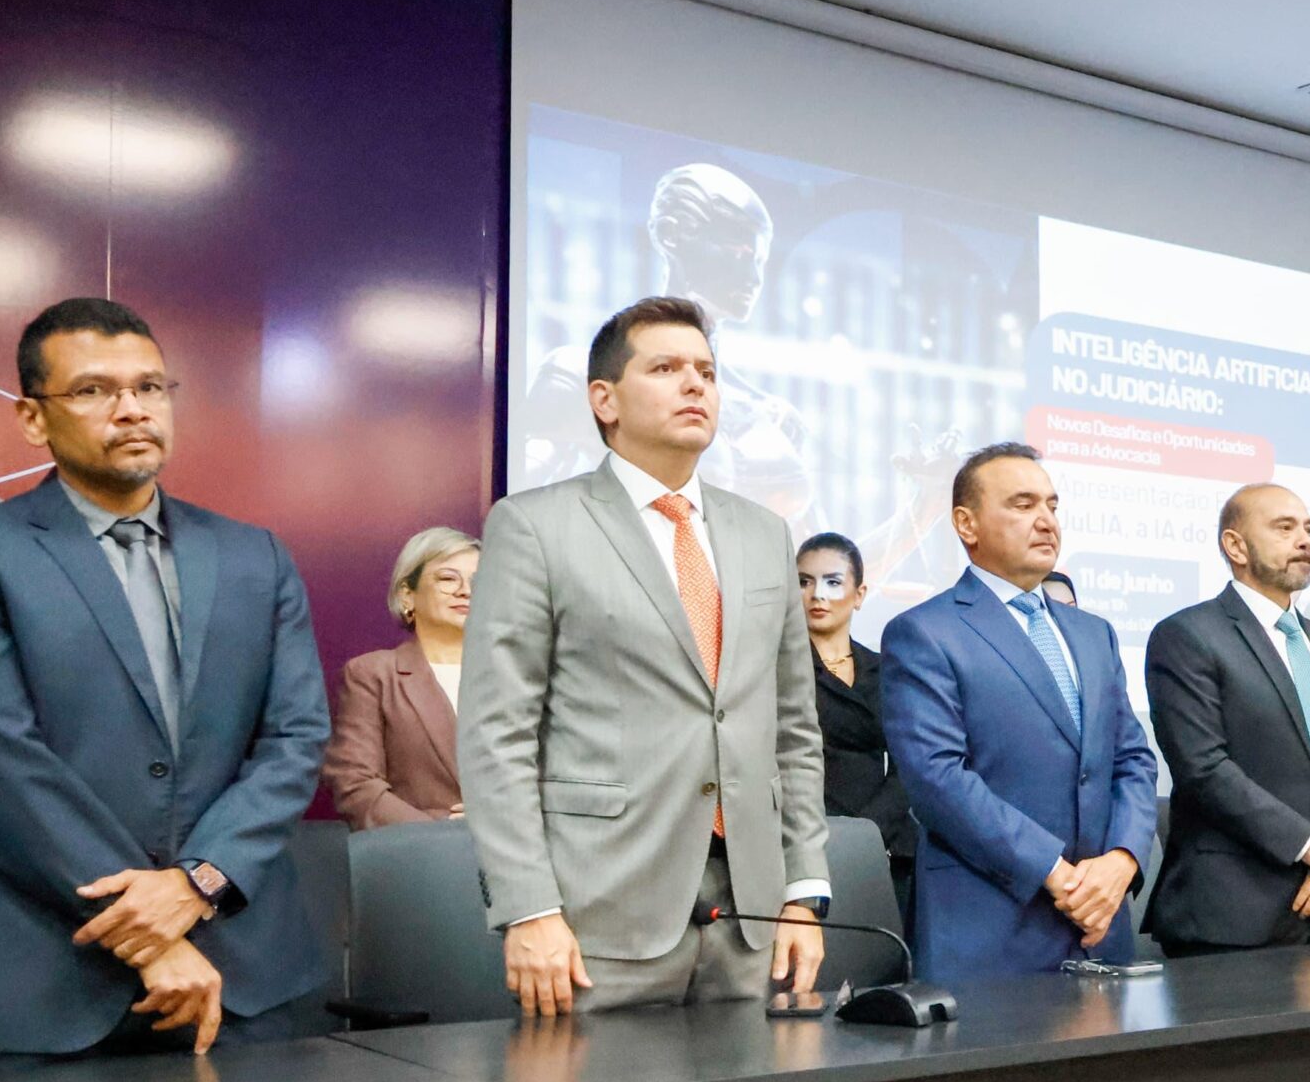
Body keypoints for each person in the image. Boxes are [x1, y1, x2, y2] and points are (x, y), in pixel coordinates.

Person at [460, 296, 830, 1016]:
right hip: (596, 912)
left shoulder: (764, 534)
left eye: (707, 372)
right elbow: (496, 734)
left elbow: (793, 729)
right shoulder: (535, 526)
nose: (695, 384)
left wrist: (803, 890)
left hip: (751, 916)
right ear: (604, 399)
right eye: (665, 368)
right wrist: (528, 906)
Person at [0, 297, 330, 1055]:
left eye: (149, 387)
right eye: (93, 390)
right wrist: (146, 932)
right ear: (33, 419)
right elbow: (0, 759)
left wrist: (198, 883)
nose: (132, 409)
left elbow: (296, 738)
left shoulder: (255, 556)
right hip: (46, 980)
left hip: (246, 976)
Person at [880, 443, 1159, 976]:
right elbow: (938, 779)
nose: (1046, 520)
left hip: (1099, 925)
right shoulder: (924, 632)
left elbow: (1133, 760)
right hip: (988, 930)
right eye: (1023, 504)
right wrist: (1058, 874)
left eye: (1052, 505)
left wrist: (1122, 861)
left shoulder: (1093, 633)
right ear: (966, 523)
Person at [1143, 485, 1310, 954]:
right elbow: (1203, 768)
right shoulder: (1187, 636)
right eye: (1284, 528)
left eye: (1308, 528)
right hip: (1230, 917)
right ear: (1235, 546)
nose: (1304, 540)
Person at [323, 527, 480, 829]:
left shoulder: (520, 674)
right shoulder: (372, 674)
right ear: (407, 594)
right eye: (448, 579)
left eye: (478, 581)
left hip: (516, 848)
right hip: (417, 848)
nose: (466, 590)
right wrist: (440, 834)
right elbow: (355, 783)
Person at [797, 531, 916, 926]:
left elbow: (910, 763)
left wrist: (868, 833)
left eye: (833, 582)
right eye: (804, 582)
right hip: (808, 847)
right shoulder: (774, 671)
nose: (817, 595)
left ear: (860, 594)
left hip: (886, 848)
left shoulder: (888, 671)